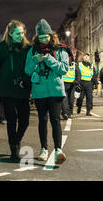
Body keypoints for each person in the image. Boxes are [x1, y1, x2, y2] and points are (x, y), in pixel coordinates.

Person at [25, 19, 68, 164]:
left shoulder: (60, 49)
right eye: (41, 37)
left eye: (46, 36)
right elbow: (27, 70)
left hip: (56, 90)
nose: (44, 39)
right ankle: (44, 149)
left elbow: (64, 69)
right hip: (40, 91)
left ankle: (58, 150)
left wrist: (49, 59)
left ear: (51, 35)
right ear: (37, 37)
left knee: (55, 120)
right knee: (42, 120)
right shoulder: (32, 51)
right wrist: (34, 60)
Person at [0, 20, 31, 162]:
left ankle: (16, 140)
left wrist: (25, 80)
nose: (21, 35)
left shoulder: (27, 48)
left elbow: (30, 67)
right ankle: (14, 150)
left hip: (22, 88)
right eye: (18, 33)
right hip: (6, 89)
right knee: (11, 120)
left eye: (22, 33)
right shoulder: (1, 48)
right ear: (11, 33)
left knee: (24, 120)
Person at [61, 48, 80, 119]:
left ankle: (70, 112)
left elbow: (78, 75)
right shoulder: (62, 64)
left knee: (71, 100)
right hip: (63, 84)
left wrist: (76, 82)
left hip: (72, 85)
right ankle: (65, 113)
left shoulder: (75, 65)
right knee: (64, 99)